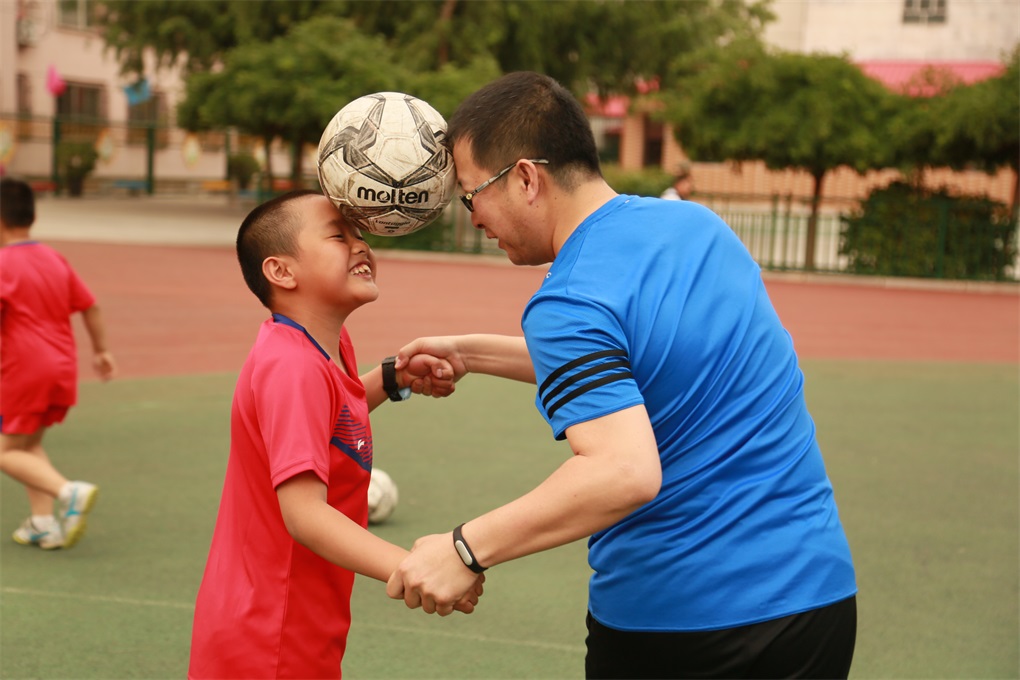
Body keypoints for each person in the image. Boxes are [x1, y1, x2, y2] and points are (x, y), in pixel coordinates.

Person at [386, 72, 857, 679]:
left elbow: (624, 471)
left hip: (683, 624)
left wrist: (464, 548)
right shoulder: (697, 229)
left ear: (527, 177)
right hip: (815, 599)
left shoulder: (568, 300)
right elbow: (647, 361)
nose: (473, 216)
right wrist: (471, 353)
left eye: (472, 194)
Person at [188, 190, 482, 679]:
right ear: (281, 271)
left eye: (360, 234)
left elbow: (330, 416)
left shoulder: (320, 346)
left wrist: (392, 379)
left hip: (293, 619)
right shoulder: (292, 367)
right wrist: (415, 565)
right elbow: (304, 515)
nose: (360, 245)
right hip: (269, 634)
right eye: (337, 236)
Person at [0, 177, 115, 550]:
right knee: (28, 444)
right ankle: (43, 522)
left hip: (22, 368)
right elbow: (90, 305)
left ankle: (69, 492)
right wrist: (102, 350)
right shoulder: (53, 258)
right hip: (62, 366)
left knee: (6, 450)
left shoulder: (3, 263)